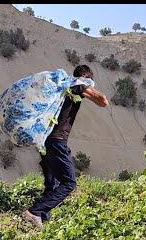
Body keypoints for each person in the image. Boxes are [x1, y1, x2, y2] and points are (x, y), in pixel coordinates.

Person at [23, 64, 109, 229]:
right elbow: (103, 102)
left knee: (53, 182)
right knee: (69, 183)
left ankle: (40, 219)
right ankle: (35, 212)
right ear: (85, 76)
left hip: (44, 138)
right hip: (57, 140)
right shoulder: (77, 85)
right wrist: (87, 84)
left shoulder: (61, 88)